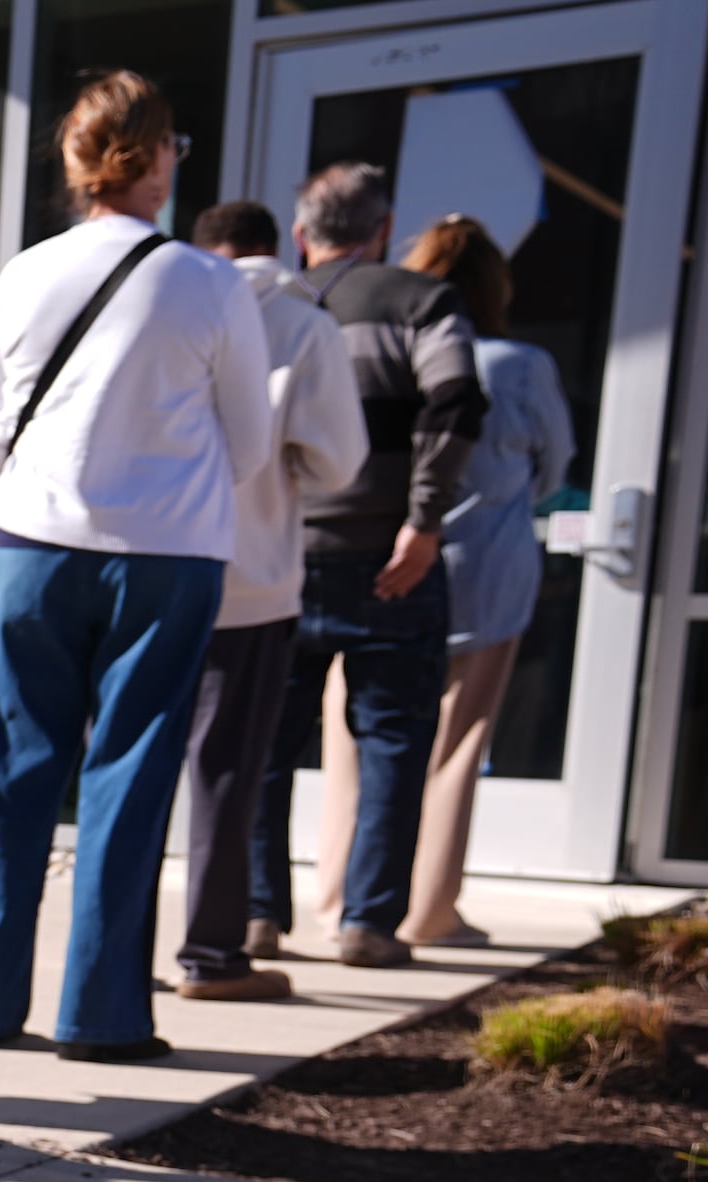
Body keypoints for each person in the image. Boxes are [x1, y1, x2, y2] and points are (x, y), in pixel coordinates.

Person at [0, 71, 272, 1062]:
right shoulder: (213, 283)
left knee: (9, 776)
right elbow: (253, 443)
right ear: (163, 156)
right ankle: (103, 1016)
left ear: (76, 160)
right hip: (165, 558)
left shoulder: (26, 271)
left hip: (31, 548)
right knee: (129, 778)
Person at [249, 160, 475, 970]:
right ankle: (369, 926)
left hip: (281, 557)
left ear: (303, 234)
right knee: (394, 740)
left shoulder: (272, 312)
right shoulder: (424, 303)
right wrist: (423, 523)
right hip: (392, 561)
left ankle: (255, 916)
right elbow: (454, 404)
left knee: (264, 743)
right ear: (384, 230)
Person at [168, 199, 366, 1004]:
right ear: (281, 243)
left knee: (135, 768)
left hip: (149, 564)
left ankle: (111, 959)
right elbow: (338, 462)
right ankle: (211, 954)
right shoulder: (302, 324)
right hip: (251, 579)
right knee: (226, 771)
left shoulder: (167, 302)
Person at [376, 212, 563, 947]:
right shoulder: (520, 366)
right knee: (456, 744)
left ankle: (343, 901)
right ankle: (428, 911)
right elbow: (550, 471)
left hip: (386, 565)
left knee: (365, 735)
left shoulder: (396, 355)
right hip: (486, 569)